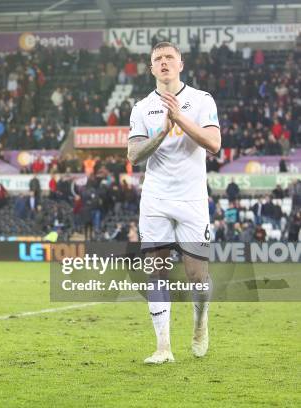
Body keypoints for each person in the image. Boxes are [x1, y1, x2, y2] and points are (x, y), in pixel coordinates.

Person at [127, 42, 221, 364]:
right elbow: (134, 156)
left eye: (169, 57)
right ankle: (163, 347)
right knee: (157, 271)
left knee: (197, 275)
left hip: (193, 199)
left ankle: (200, 323)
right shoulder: (141, 108)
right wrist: (162, 134)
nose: (164, 62)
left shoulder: (201, 100)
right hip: (155, 199)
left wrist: (180, 118)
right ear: (151, 68)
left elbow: (214, 144)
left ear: (181, 63)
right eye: (158, 59)